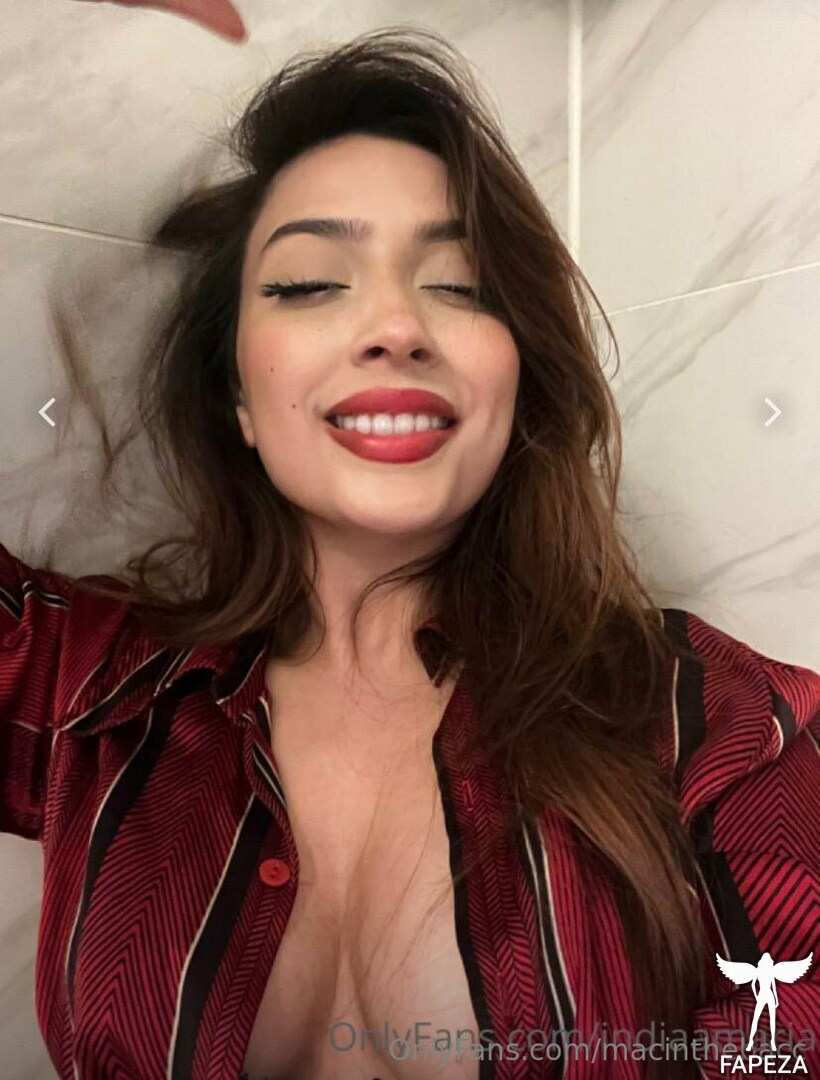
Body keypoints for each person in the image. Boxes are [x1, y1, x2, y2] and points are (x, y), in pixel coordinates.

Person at [1, 14, 818, 1080]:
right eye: (309, 283)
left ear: (518, 372)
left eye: (461, 285)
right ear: (236, 393)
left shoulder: (723, 729)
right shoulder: (90, 691)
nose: (396, 325)